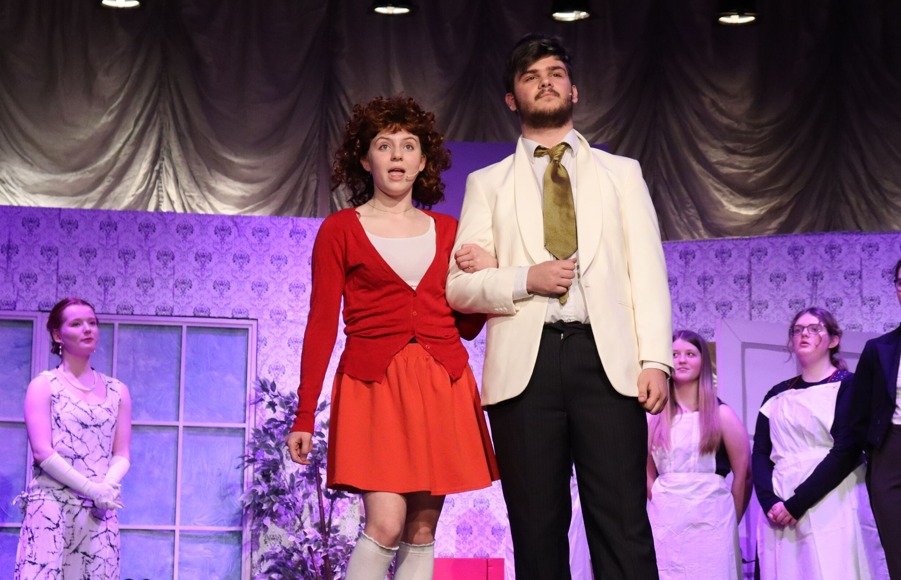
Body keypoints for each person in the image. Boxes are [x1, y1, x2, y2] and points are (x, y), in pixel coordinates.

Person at [447, 34, 672, 579]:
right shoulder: (487, 183)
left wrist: (655, 360)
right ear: (512, 99)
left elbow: (646, 270)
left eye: (555, 73)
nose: (544, 82)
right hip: (527, 368)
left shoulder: (622, 173)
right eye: (530, 76)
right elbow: (459, 289)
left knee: (622, 525)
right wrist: (524, 277)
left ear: (574, 90)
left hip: (607, 361)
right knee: (536, 531)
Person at [285, 96, 499, 580]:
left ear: (423, 162)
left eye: (408, 145)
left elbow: (466, 324)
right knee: (384, 524)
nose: (397, 155)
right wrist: (304, 414)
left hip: (441, 384)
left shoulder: (449, 231)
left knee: (422, 531)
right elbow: (321, 324)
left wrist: (487, 274)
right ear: (365, 160)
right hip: (373, 387)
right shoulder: (340, 229)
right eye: (384, 145)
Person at [752, 307, 887, 579]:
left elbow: (846, 450)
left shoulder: (849, 386)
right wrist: (770, 502)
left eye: (814, 329)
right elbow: (761, 452)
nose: (804, 334)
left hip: (833, 497)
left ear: (833, 340)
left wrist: (797, 503)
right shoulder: (776, 394)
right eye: (798, 330)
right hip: (780, 502)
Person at [15, 297, 132, 579]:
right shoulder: (44, 385)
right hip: (52, 509)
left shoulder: (118, 390)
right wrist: (92, 489)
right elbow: (42, 452)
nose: (87, 329)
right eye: (77, 324)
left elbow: (121, 453)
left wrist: (107, 487)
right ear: (58, 335)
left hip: (98, 512)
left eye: (92, 323)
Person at [647, 330, 752, 580]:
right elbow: (646, 471)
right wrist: (660, 501)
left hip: (712, 522)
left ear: (703, 361)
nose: (682, 360)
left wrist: (731, 520)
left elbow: (744, 474)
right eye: (674, 354)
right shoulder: (654, 417)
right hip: (666, 521)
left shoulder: (722, 414)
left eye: (690, 354)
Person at [850, 258, 901, 579]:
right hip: (891, 451)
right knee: (896, 549)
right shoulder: (879, 349)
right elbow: (859, 416)